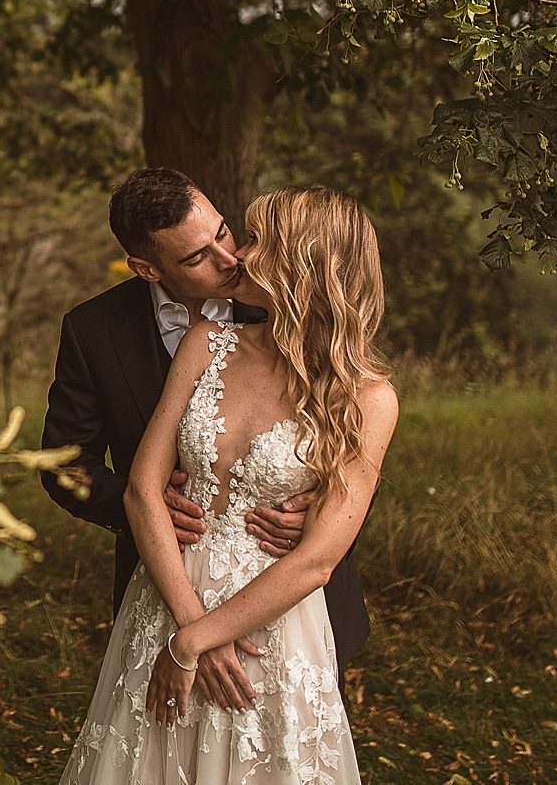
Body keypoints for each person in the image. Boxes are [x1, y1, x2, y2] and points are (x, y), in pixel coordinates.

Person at [54, 182, 399, 784]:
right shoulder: (197, 343)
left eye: (241, 236)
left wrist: (320, 513)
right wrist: (188, 630)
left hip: (279, 620)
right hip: (166, 594)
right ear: (147, 268)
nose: (237, 255)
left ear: (305, 267)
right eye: (197, 255)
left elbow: (322, 551)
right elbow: (128, 484)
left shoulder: (367, 397)